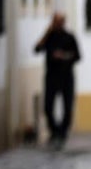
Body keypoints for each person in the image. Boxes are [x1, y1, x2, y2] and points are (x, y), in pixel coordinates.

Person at [34, 12, 81, 149]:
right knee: (48, 106)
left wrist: (64, 56)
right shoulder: (49, 37)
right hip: (52, 76)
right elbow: (37, 49)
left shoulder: (69, 37)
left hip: (66, 76)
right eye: (55, 21)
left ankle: (63, 131)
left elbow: (77, 56)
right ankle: (54, 130)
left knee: (67, 107)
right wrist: (46, 33)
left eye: (60, 21)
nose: (58, 24)